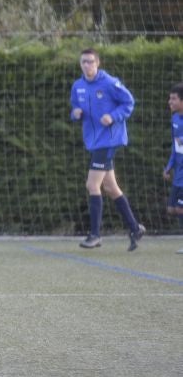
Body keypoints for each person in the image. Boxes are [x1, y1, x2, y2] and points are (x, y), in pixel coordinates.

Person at [70, 48, 145, 250]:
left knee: (92, 184)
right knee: (111, 188)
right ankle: (135, 228)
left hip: (109, 140)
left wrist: (113, 116)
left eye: (90, 61)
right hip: (94, 141)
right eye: (83, 62)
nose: (87, 65)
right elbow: (75, 107)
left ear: (98, 63)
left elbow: (129, 102)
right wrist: (75, 113)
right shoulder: (77, 86)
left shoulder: (110, 83)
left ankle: (95, 235)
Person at [162, 83, 183, 254]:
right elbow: (176, 148)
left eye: (174, 99)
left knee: (180, 208)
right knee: (172, 209)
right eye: (170, 98)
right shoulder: (175, 119)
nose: (170, 102)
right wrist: (168, 167)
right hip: (179, 174)